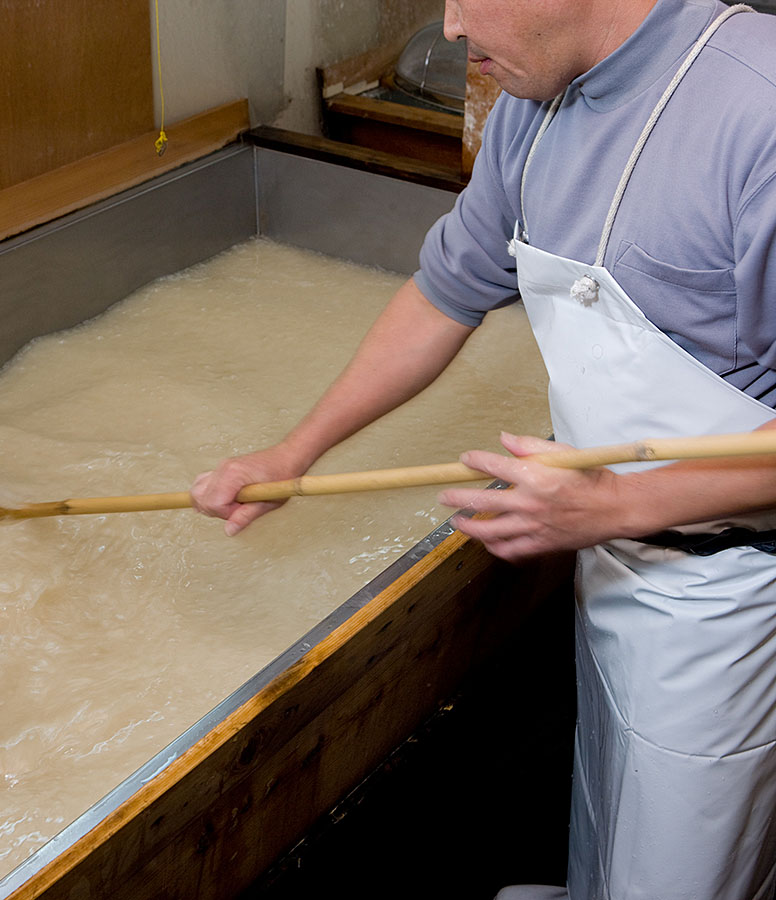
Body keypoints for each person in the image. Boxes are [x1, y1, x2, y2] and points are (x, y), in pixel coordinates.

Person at [190, 1, 776, 898]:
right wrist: (293, 453)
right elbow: (445, 293)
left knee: (691, 858)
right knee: (613, 798)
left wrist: (619, 502)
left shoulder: (757, 109)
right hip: (616, 558)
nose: (453, 26)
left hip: (737, 596)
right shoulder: (533, 106)